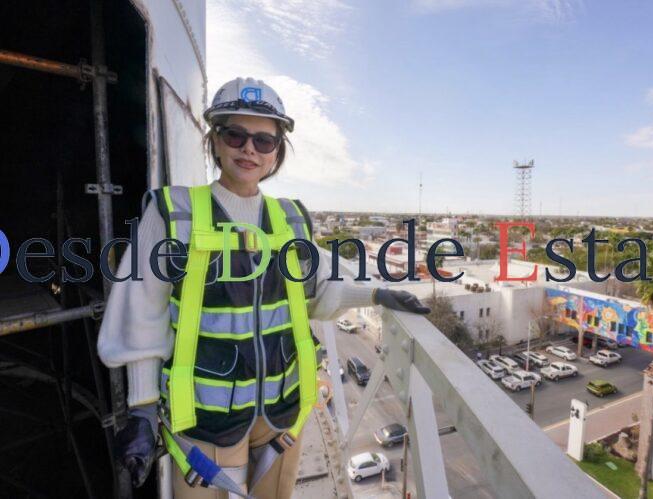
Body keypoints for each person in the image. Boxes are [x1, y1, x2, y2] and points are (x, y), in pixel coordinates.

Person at [97, 77, 430, 499]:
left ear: (277, 152)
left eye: (264, 140)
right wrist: (143, 410)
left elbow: (320, 282)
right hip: (204, 420)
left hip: (281, 415)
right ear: (214, 140)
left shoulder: (290, 219)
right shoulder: (172, 213)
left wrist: (377, 294)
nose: (248, 149)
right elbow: (140, 313)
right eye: (235, 134)